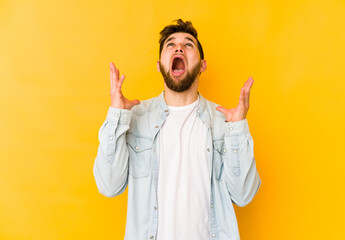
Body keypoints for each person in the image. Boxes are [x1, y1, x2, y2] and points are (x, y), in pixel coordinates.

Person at [93, 19, 261, 240]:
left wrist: (238, 129)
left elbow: (244, 195)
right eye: (170, 44)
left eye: (188, 44)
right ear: (159, 64)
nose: (179, 47)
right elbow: (109, 186)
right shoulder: (134, 118)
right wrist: (116, 115)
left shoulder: (225, 124)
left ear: (202, 65)